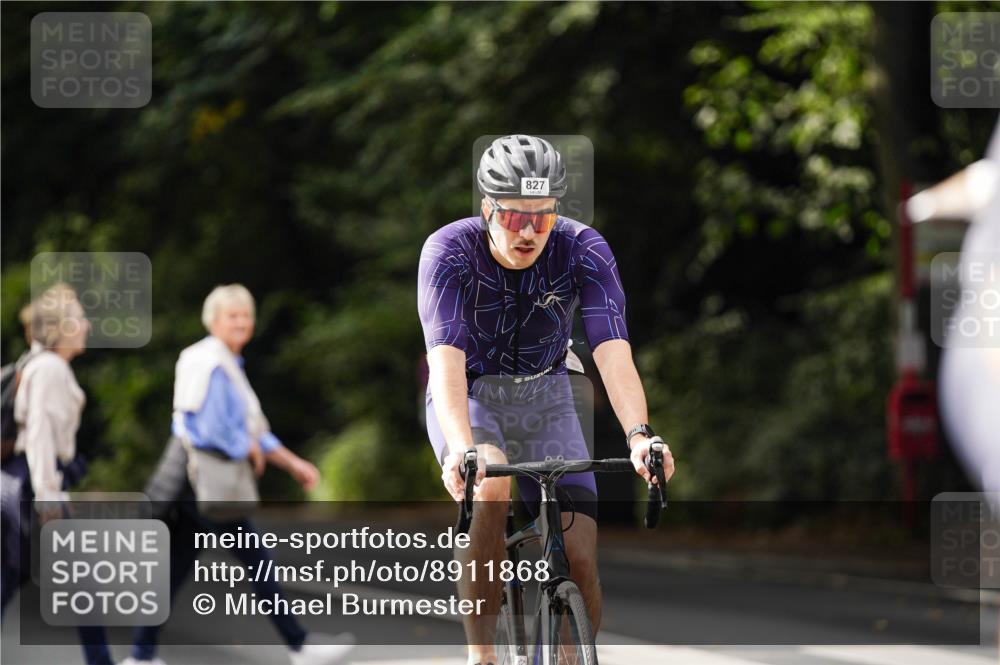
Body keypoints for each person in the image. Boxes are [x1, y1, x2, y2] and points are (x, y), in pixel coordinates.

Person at [417, 135, 676, 665]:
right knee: (491, 484)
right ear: (487, 208)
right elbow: (445, 361)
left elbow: (612, 351)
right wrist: (461, 449)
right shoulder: (448, 251)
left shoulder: (582, 248)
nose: (529, 231)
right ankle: (482, 655)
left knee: (579, 557)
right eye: (515, 216)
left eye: (544, 216)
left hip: (550, 391)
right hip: (473, 392)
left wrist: (639, 435)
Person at [123, 284, 353, 665]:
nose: (241, 322)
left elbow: (251, 429)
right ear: (213, 321)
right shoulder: (212, 364)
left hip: (198, 485)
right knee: (257, 561)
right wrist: (246, 447)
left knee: (177, 567)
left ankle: (140, 655)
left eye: (246, 315)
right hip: (207, 482)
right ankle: (299, 645)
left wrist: (292, 463)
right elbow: (209, 429)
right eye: (232, 316)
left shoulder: (224, 361)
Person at [0, 284, 113, 665]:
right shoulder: (49, 369)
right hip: (34, 486)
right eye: (79, 319)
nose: (87, 325)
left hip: (24, 485)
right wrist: (49, 500)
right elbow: (40, 437)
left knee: (14, 576)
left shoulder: (36, 363)